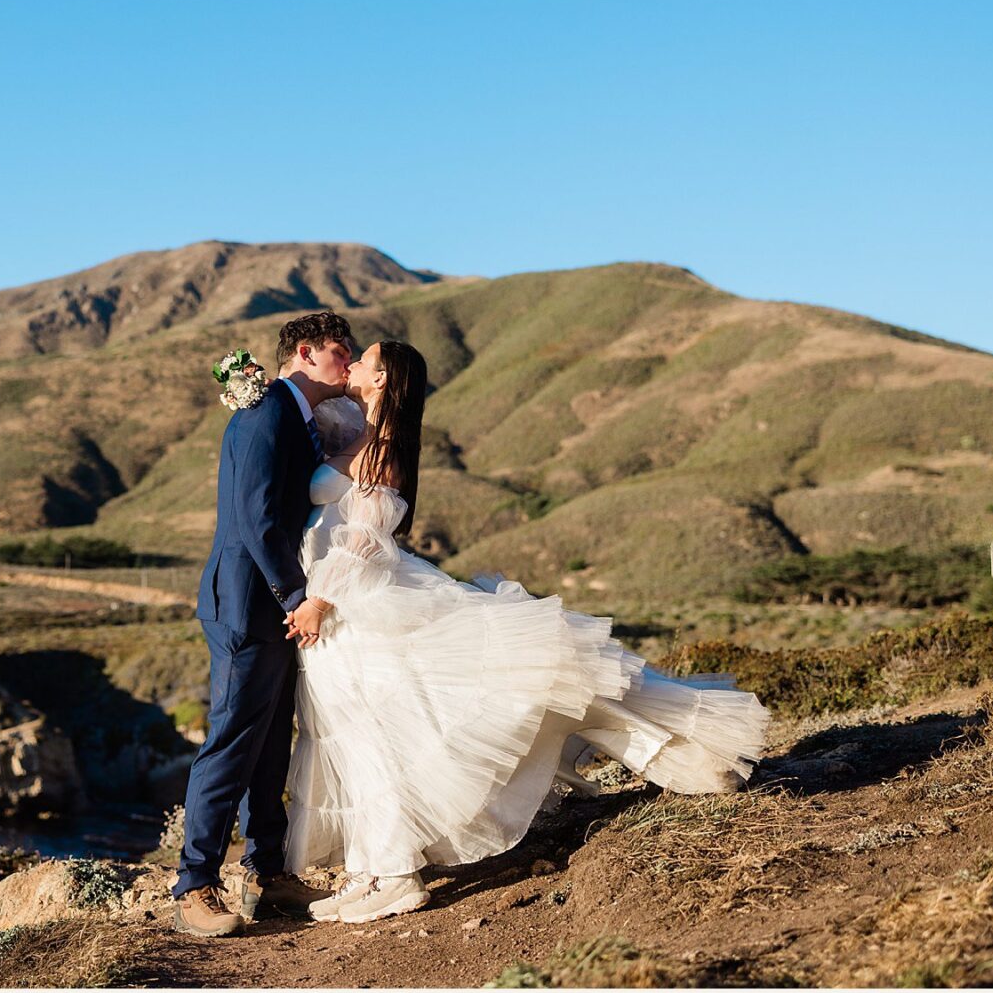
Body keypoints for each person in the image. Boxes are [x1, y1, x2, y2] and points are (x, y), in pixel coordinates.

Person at [282, 341, 772, 924]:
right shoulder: (361, 432)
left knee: (388, 736)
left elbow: (364, 540)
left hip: (359, 608)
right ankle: (371, 868)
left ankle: (395, 875)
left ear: (384, 378)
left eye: (362, 361)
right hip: (348, 614)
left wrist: (318, 600)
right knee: (368, 737)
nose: (355, 366)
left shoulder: (383, 449)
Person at [171, 311, 353, 938]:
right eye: (340, 349)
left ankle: (265, 872)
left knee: (273, 740)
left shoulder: (297, 416)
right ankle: (195, 883)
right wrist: (297, 594)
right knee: (231, 740)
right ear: (305, 352)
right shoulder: (266, 413)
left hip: (273, 607)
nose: (349, 359)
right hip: (249, 603)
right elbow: (256, 518)